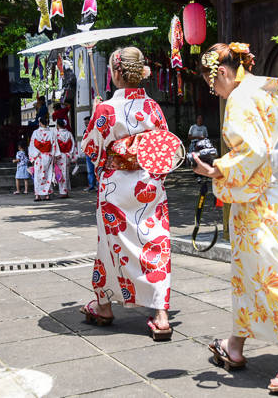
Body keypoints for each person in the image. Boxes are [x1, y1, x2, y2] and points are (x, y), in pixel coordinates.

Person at [191, 42, 278, 396]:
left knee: (270, 274)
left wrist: (215, 169)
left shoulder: (241, 98)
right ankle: (234, 345)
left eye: (214, 86)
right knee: (247, 272)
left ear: (222, 72)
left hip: (258, 200)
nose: (217, 93)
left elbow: (251, 152)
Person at [79, 46, 173, 340]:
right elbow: (166, 148)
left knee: (109, 246)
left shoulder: (106, 109)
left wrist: (99, 114)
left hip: (116, 186)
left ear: (116, 73)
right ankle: (160, 315)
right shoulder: (153, 108)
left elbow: (91, 149)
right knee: (154, 241)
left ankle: (104, 305)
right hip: (148, 183)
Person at [28, 115, 57, 201]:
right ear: (47, 123)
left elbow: (32, 145)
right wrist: (53, 155)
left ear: (40, 123)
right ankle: (47, 194)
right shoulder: (51, 133)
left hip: (38, 157)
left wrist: (33, 157)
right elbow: (54, 145)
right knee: (48, 174)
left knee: (38, 176)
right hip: (48, 156)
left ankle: (38, 195)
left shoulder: (35, 133)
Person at [54, 118, 76, 198]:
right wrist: (70, 153)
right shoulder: (69, 133)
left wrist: (56, 155)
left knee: (61, 174)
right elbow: (73, 144)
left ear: (58, 125)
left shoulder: (56, 134)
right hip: (67, 155)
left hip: (59, 156)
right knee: (65, 173)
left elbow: (55, 146)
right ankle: (65, 191)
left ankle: (63, 192)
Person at [83, 116, 97, 192]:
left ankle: (98, 185)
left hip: (95, 152)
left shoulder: (95, 130)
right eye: (85, 123)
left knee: (96, 169)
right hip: (88, 152)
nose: (86, 124)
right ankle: (91, 185)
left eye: (87, 122)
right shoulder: (85, 131)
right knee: (90, 171)